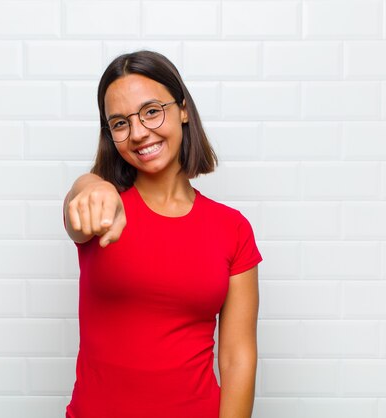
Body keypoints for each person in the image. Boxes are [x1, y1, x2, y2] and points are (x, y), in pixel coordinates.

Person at [62, 50, 263, 418]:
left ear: (183, 109)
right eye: (120, 123)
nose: (138, 133)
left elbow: (237, 358)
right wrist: (91, 184)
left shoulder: (231, 228)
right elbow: (79, 206)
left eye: (151, 111)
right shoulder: (102, 211)